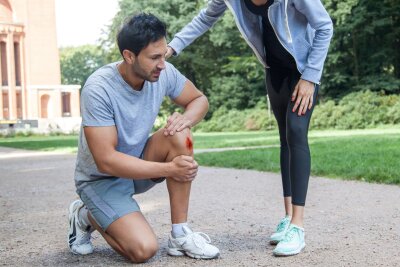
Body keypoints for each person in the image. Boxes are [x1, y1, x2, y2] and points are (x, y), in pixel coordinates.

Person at [166, 0, 333, 256]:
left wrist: (310, 76)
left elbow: (324, 26)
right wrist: (172, 47)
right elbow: (205, 18)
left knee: (297, 132)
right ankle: (288, 218)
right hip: (274, 70)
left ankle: (298, 227)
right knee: (285, 138)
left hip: (304, 69)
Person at [67, 13, 220, 263]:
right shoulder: (98, 88)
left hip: (139, 163)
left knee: (179, 131)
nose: (162, 64)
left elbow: (198, 100)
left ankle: (180, 234)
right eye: (154, 57)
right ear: (129, 56)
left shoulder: (163, 72)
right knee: (142, 250)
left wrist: (186, 120)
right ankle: (84, 215)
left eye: (164, 55)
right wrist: (170, 168)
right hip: (100, 180)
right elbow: (106, 160)